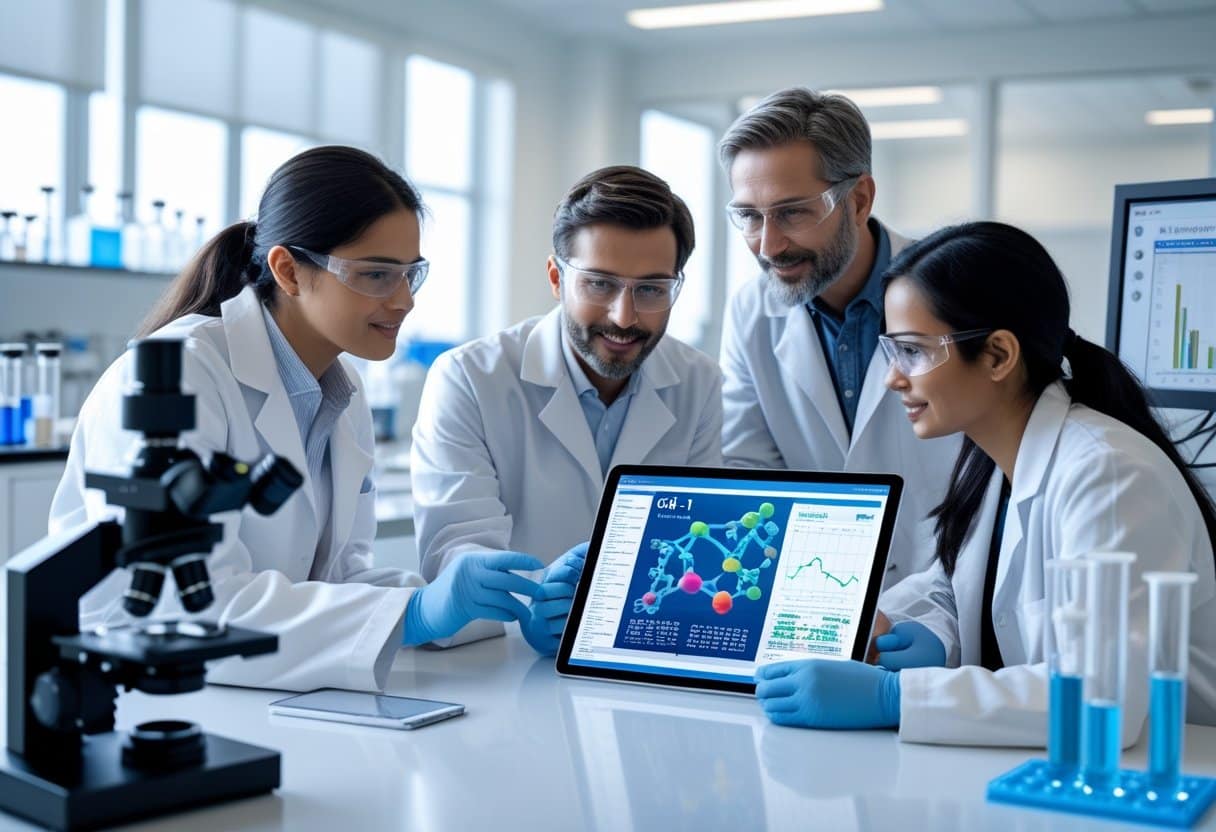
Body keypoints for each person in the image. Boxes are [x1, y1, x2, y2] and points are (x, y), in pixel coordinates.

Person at [50, 146, 559, 692]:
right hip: (137, 693)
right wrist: (414, 612)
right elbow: (184, 603)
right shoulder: (180, 375)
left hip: (261, 687)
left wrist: (504, 599)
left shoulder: (341, 391)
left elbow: (337, 577)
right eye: (376, 275)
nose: (405, 300)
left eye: (411, 273)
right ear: (288, 270)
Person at [754, 221, 1216, 743]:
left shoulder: (1109, 475)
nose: (892, 378)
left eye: (914, 351)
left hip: (1175, 769)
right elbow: (963, 586)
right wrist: (925, 627)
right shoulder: (994, 457)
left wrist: (896, 698)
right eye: (892, 350)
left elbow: (1101, 695)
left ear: (998, 355)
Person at [410, 165, 723, 652]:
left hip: (646, 649)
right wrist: (536, 597)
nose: (625, 316)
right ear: (557, 277)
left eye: (652, 289)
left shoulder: (699, 382)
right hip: (507, 661)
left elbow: (700, 545)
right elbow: (457, 552)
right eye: (600, 284)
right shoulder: (470, 378)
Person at [717, 87, 960, 588]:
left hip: (953, 590)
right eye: (749, 216)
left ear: (859, 200)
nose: (768, 245)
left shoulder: (956, 291)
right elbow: (750, 473)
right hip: (819, 589)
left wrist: (930, 611)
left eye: (792, 212)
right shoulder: (750, 310)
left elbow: (998, 470)